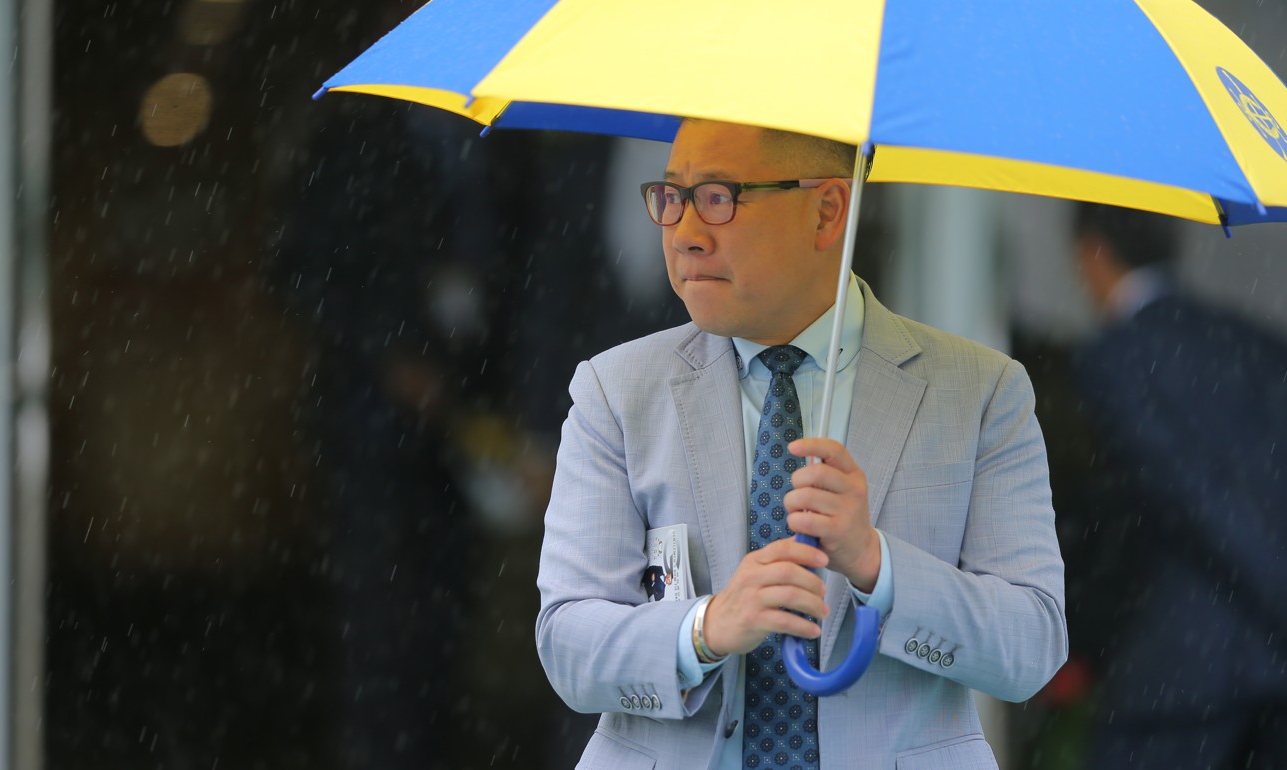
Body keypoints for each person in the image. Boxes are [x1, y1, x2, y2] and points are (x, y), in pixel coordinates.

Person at [535, 118, 1067, 768]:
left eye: (719, 197)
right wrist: (703, 628)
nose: (686, 234)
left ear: (827, 210)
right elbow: (567, 646)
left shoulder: (980, 392)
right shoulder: (615, 392)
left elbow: (1031, 648)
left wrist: (878, 565)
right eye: (671, 197)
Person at [1070, 203, 1287, 770]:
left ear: (1091, 251)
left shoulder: (1117, 358)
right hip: (1270, 664)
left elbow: (1179, 493)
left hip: (1182, 664)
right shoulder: (1251, 340)